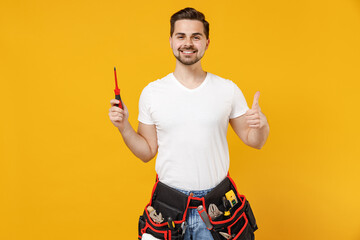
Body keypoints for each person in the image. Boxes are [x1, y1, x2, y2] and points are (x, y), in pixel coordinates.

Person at [109, 7, 269, 240]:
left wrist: (261, 125)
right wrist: (124, 127)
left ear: (207, 42)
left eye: (196, 36)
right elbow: (146, 152)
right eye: (181, 36)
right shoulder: (152, 93)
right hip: (168, 211)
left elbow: (255, 141)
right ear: (171, 41)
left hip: (217, 210)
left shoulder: (227, 89)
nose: (188, 43)